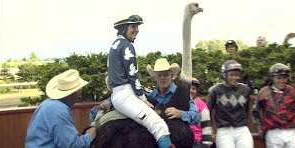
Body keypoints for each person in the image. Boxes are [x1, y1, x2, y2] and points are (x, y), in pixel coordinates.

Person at [107, 15, 174, 148]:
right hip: (126, 95)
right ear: (123, 28)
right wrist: (143, 99)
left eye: (137, 27)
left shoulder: (114, 45)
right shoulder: (126, 46)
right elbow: (133, 76)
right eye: (133, 26)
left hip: (118, 94)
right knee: (159, 126)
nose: (137, 30)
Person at [25, 69, 96, 148]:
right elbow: (72, 145)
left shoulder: (49, 104)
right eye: (79, 90)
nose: (80, 94)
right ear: (76, 93)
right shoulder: (58, 110)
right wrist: (89, 136)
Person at [207, 60, 253, 148]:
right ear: (225, 75)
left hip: (242, 129)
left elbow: (247, 110)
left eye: (237, 75)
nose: (235, 77)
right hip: (224, 130)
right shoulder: (215, 90)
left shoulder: (245, 89)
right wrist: (210, 131)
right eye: (231, 75)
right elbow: (208, 111)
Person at [252, 63, 295, 148]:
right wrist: (259, 128)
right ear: (272, 77)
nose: (282, 81)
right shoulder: (264, 92)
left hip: (290, 131)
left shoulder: (291, 90)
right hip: (273, 132)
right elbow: (255, 112)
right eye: (279, 78)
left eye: (284, 78)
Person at [190, 78, 212, 148]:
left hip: (196, 141)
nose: (191, 91)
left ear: (196, 91)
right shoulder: (181, 103)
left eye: (193, 88)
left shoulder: (201, 105)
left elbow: (206, 126)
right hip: (182, 140)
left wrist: (206, 144)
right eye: (189, 88)